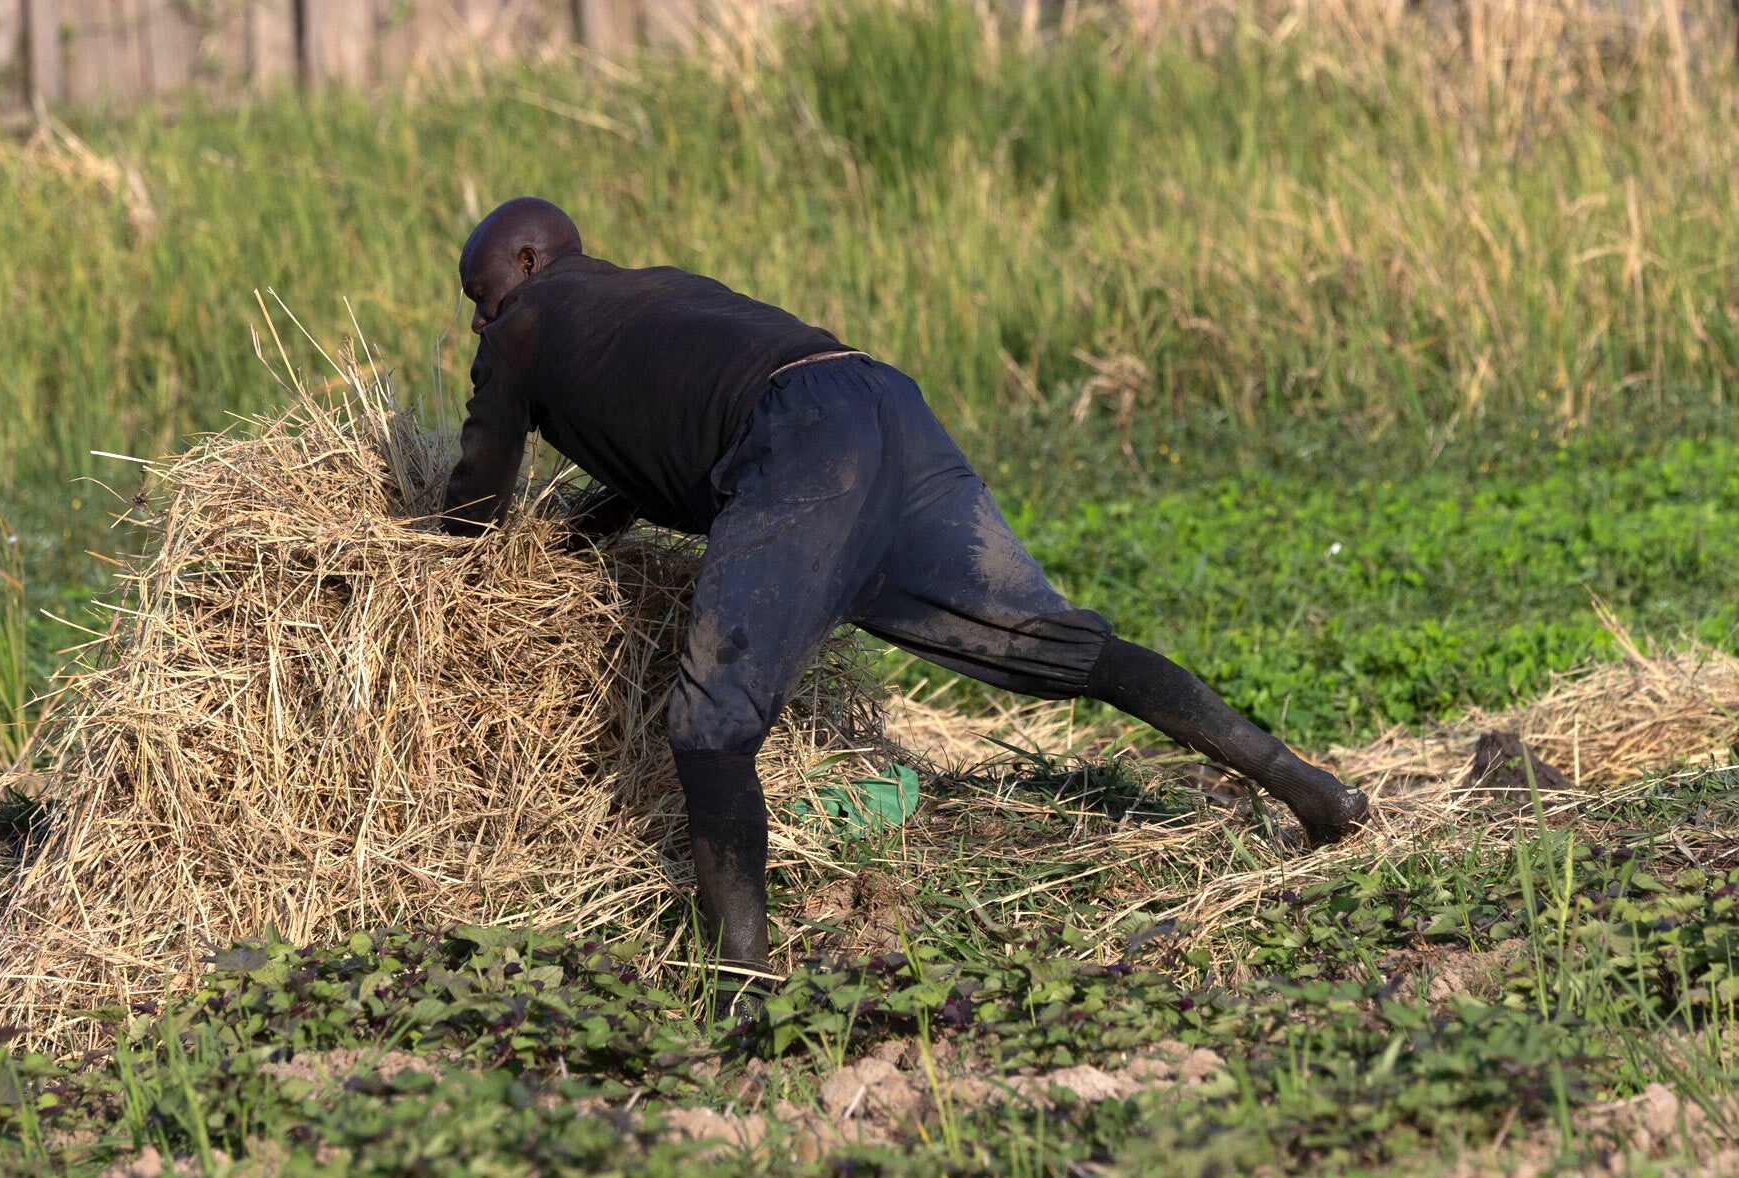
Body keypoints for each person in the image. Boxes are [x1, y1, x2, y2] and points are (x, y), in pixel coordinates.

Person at [442, 196, 1369, 971]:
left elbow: (475, 500)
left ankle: (740, 980)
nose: (480, 322)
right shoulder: (652, 294)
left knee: (710, 725)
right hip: (879, 399)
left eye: (481, 297)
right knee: (1061, 647)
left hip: (802, 442)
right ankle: (1309, 789)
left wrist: (439, 565)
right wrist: (579, 534)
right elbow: (663, 452)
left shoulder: (526, 326)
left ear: (528, 262)